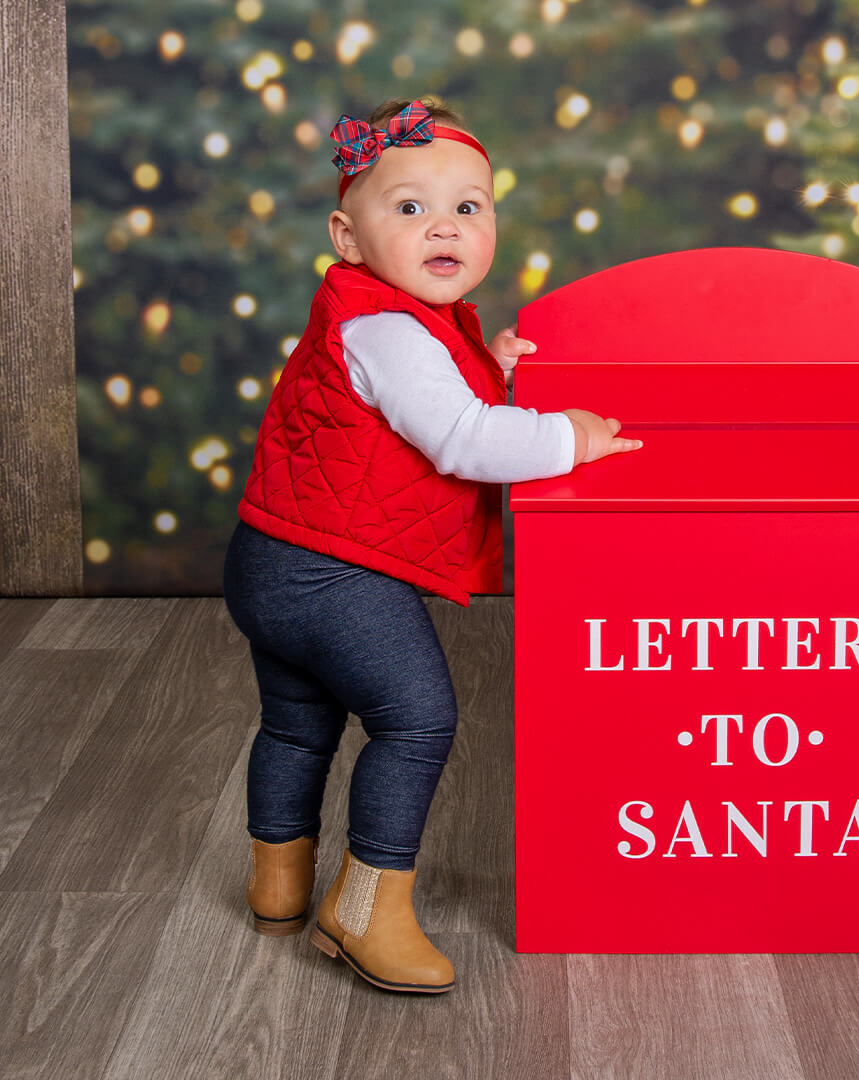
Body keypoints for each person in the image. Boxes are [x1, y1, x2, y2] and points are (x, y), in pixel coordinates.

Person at [222, 96, 642, 994]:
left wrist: (488, 363)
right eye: (408, 207)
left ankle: (278, 881)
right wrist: (569, 436)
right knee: (417, 719)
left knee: (299, 724)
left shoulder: (388, 318)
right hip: (332, 571)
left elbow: (416, 405)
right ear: (348, 233)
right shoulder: (388, 330)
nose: (443, 226)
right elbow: (463, 440)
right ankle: (367, 905)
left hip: (271, 554)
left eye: (468, 207)